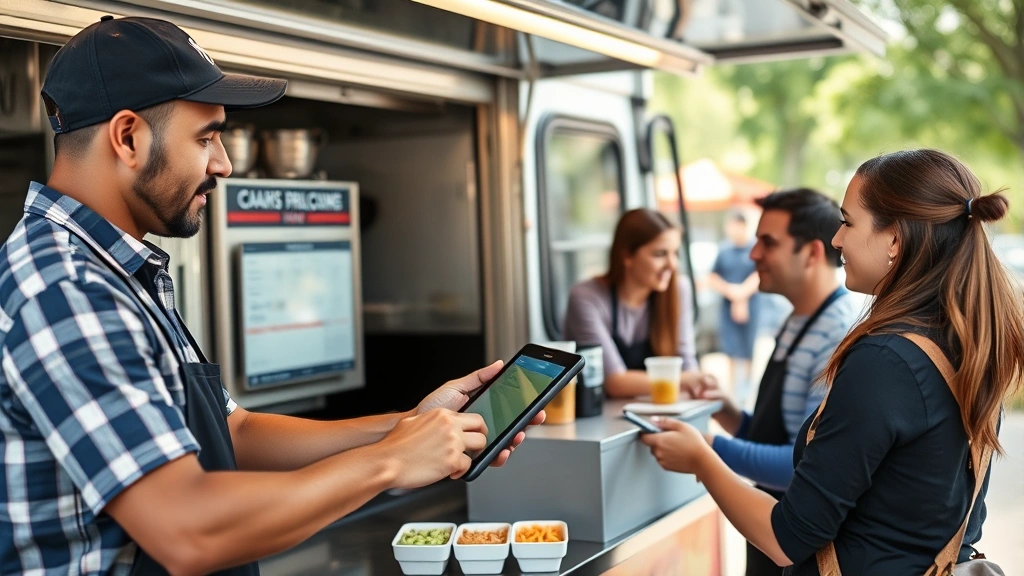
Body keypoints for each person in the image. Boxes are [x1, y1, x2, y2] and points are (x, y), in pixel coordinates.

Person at [0, 17, 540, 576]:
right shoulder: (68, 289)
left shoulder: (119, 270)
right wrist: (390, 462)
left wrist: (410, 425)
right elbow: (188, 529)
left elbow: (235, 432)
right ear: (128, 136)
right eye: (205, 138)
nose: (224, 164)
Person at [640, 149, 1024, 574]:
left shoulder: (884, 360)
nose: (836, 239)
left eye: (847, 222)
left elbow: (787, 538)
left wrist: (702, 459)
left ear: (895, 239)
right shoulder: (964, 341)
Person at [689, 189, 862, 576]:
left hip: (792, 544)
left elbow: (800, 466)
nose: (753, 255)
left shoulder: (834, 333)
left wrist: (705, 451)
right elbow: (781, 433)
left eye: (768, 243)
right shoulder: (799, 319)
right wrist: (726, 411)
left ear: (813, 253)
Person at [563, 208, 715, 398]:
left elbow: (686, 362)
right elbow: (615, 381)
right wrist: (685, 380)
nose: (672, 265)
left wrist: (694, 382)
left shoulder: (678, 289)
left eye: (675, 253)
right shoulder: (586, 297)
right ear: (627, 256)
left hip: (660, 409)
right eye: (660, 254)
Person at [708, 211, 761, 405]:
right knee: (730, 350)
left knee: (748, 350)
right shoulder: (724, 251)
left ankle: (745, 392)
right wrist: (732, 293)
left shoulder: (754, 249)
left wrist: (742, 296)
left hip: (752, 305)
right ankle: (732, 393)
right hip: (727, 305)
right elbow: (713, 276)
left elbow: (758, 275)